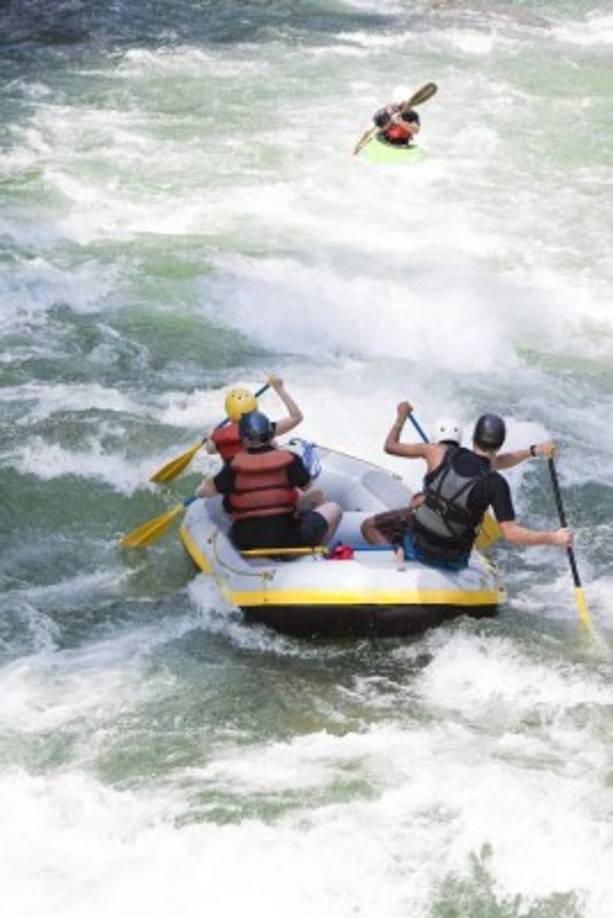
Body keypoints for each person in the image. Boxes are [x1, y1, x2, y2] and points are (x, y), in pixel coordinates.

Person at [362, 403, 572, 569]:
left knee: (373, 524)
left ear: (472, 438)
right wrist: (554, 537)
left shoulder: (438, 452)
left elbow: (391, 446)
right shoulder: (496, 483)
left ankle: (396, 553)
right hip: (454, 560)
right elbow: (512, 534)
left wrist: (401, 416)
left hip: (416, 546)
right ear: (499, 445)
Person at [196, 411, 342, 552]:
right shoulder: (290, 460)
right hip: (286, 539)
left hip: (246, 541)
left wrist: (208, 482)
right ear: (270, 435)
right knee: (334, 508)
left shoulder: (233, 467)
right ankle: (314, 554)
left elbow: (202, 493)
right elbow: (312, 490)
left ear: (243, 438)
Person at [206, 374, 303, 463]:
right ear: (255, 409)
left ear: (229, 413)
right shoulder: (266, 430)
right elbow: (296, 417)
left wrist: (210, 437)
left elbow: (209, 449)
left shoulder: (220, 439)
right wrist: (279, 389)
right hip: (267, 471)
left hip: (238, 475)